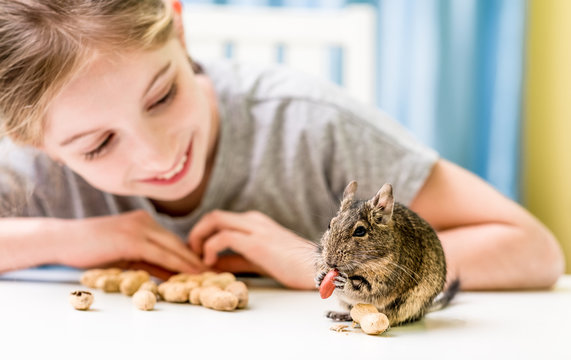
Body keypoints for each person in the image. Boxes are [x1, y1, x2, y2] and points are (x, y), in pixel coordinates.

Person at [0, 0, 564, 290]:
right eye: (97, 145)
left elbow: (531, 249)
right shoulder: (33, 163)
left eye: (163, 96)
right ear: (34, 141)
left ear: (179, 24)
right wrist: (71, 237)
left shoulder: (309, 126)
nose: (157, 155)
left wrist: (332, 270)